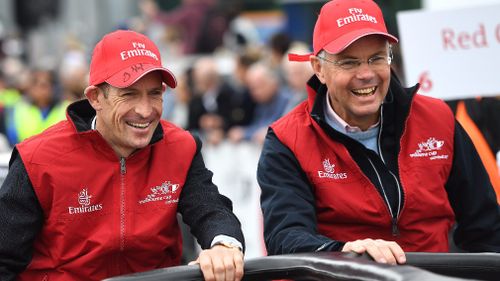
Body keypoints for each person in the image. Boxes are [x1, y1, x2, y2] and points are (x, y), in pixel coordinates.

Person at [257, 0, 500, 266]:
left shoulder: (438, 119)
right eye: (349, 63)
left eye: (376, 58)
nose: (366, 74)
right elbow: (285, 236)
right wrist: (346, 250)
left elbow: (485, 227)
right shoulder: (287, 140)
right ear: (318, 68)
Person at [0, 30, 245, 281]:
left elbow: (211, 209)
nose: (145, 110)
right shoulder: (37, 159)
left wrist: (223, 245)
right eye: (129, 94)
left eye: (154, 94)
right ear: (95, 97)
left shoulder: (182, 147)